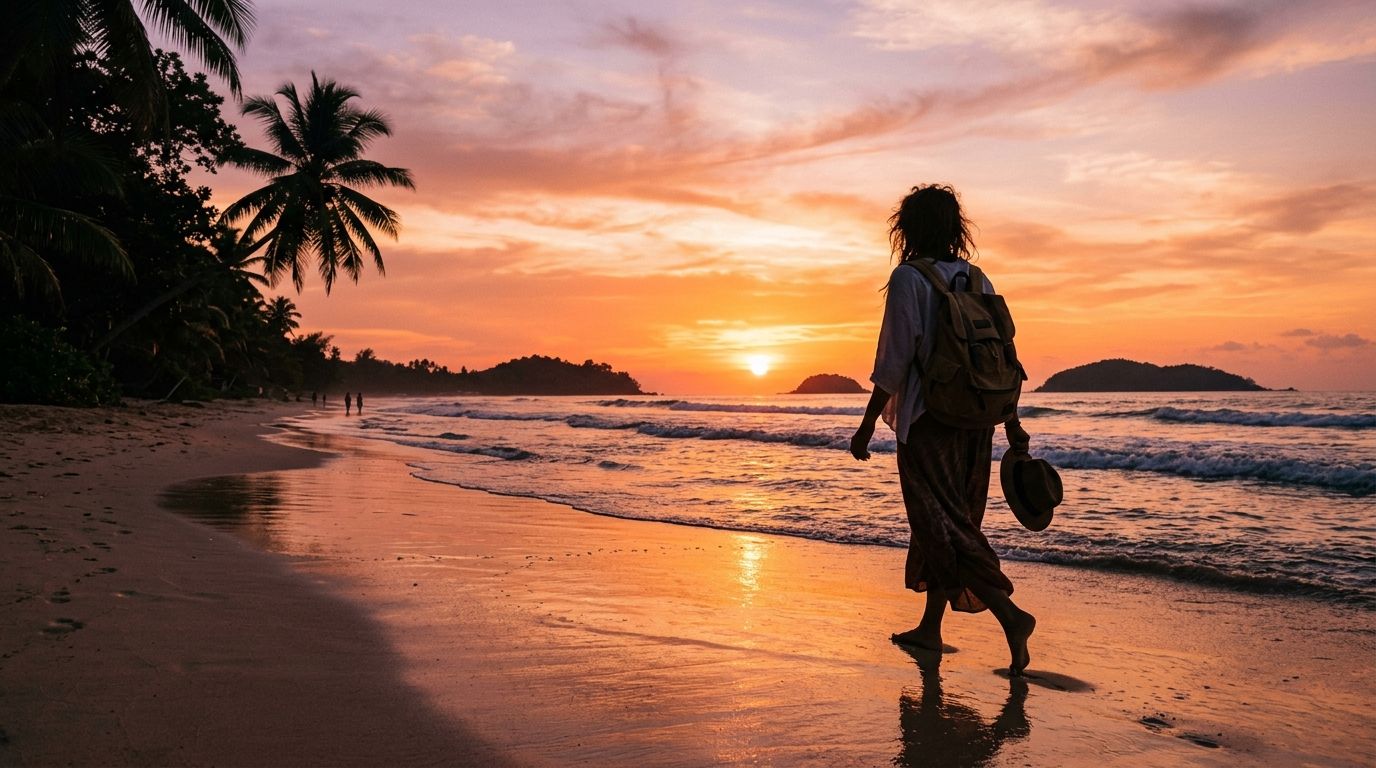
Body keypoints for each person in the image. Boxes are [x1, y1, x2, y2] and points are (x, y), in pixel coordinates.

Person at [850, 184, 1036, 675]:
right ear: (955, 227)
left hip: (930, 423)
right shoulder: (977, 278)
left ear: (907, 228)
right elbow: (1003, 356)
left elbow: (893, 361)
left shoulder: (910, 278)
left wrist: (867, 425)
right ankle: (931, 628)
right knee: (951, 521)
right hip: (976, 423)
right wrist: (1011, 421)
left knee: (942, 526)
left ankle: (1011, 616)